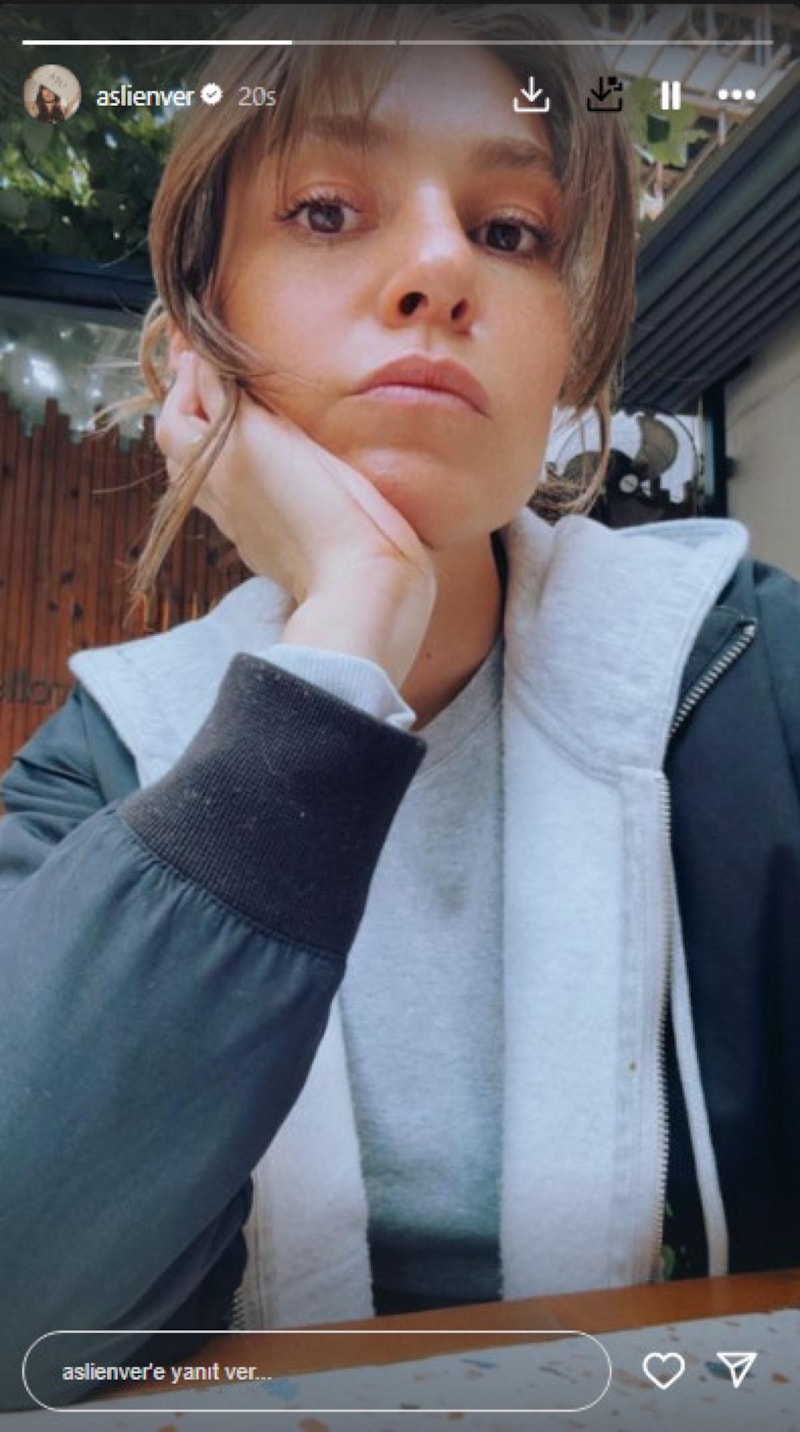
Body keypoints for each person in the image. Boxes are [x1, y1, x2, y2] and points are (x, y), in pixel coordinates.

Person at [2, 1, 800, 1413]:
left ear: (568, 356)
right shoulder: (95, 775)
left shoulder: (760, 680)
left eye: (510, 231)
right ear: (198, 345)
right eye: (325, 211)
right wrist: (349, 624)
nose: (439, 268)